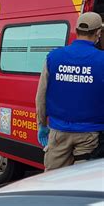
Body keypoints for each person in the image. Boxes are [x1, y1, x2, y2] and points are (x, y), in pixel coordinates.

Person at [36, 12, 104, 171]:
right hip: (90, 135)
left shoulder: (53, 57)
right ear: (98, 33)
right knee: (81, 184)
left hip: (58, 132)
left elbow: (41, 96)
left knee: (53, 181)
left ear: (76, 30)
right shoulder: (101, 60)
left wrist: (42, 124)